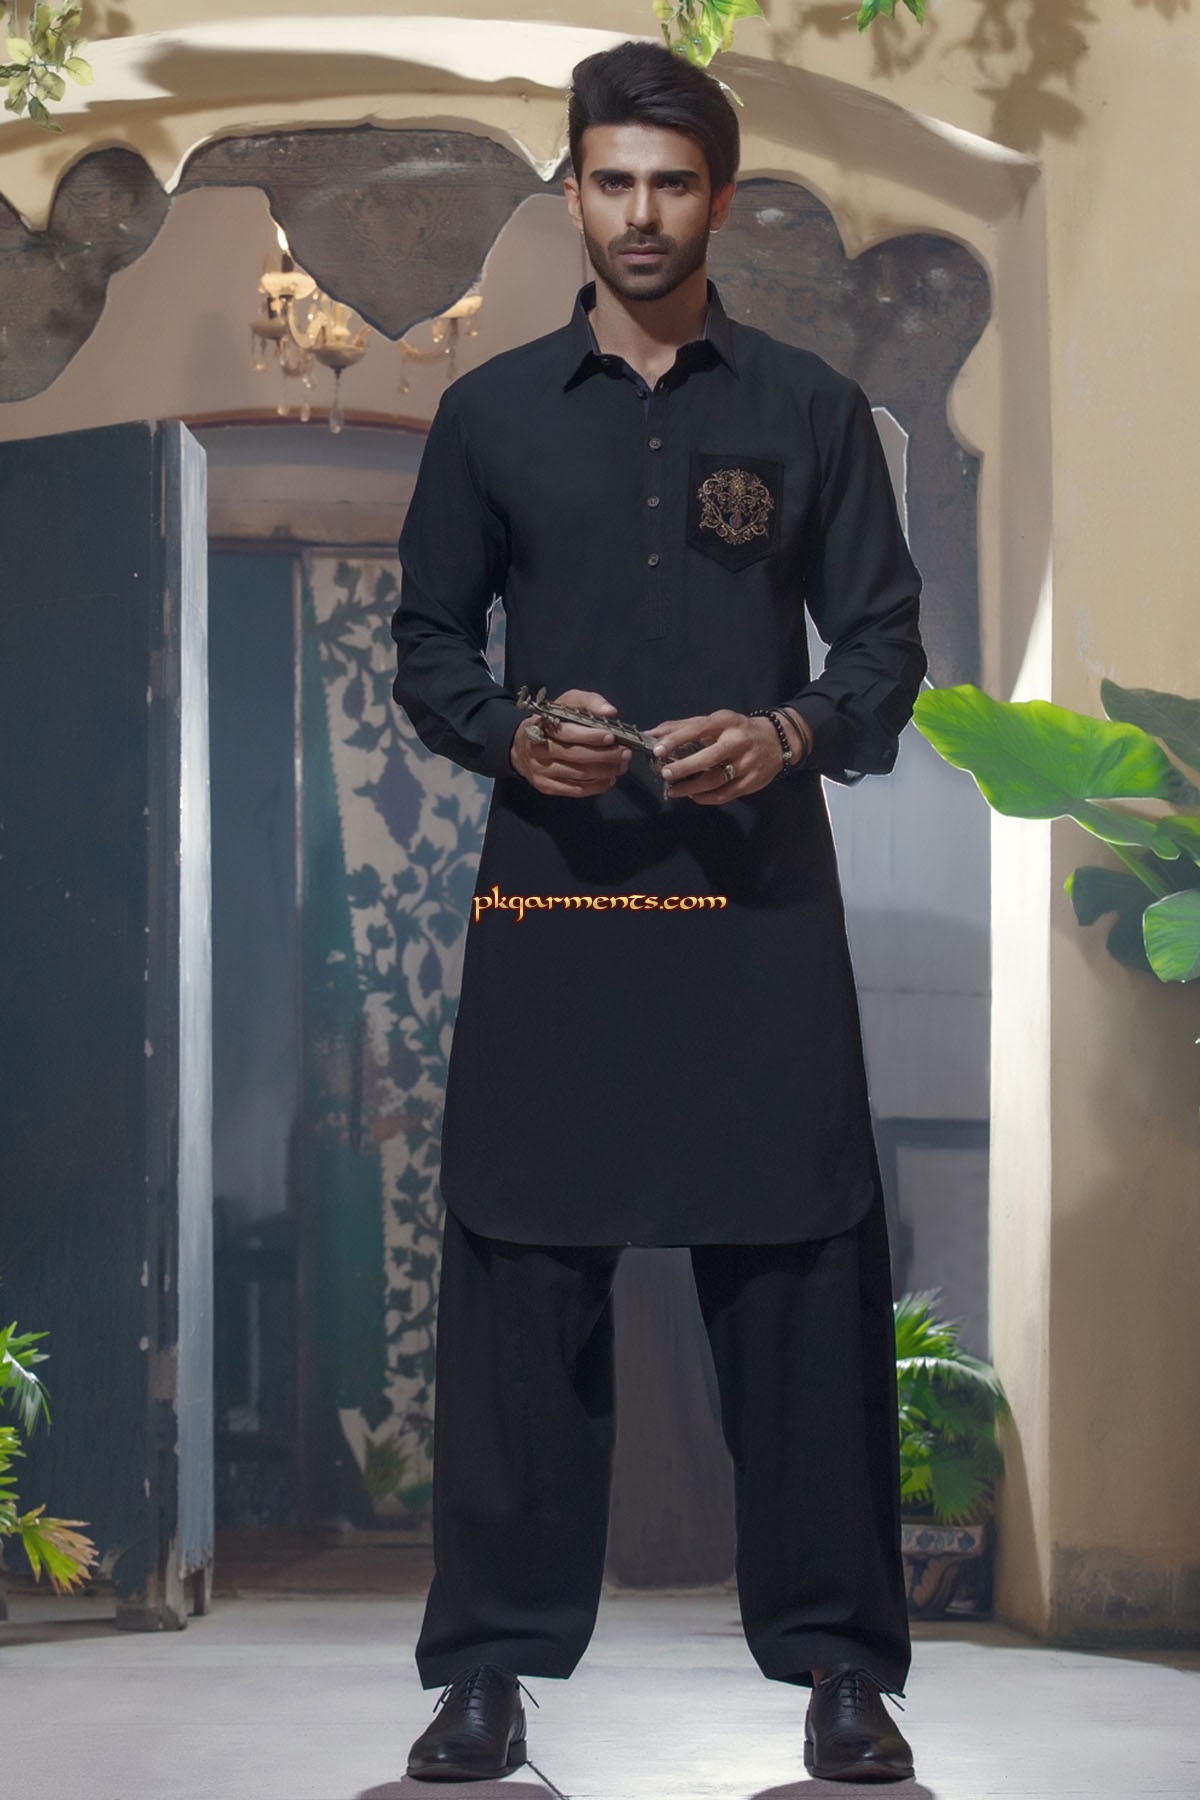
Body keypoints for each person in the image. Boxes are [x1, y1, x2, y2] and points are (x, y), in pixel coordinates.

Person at [391, 39, 926, 1786]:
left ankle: (842, 1674)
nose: (640, 213)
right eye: (611, 180)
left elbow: (883, 648)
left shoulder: (807, 411)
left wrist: (789, 733)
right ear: (572, 192)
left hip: (753, 915)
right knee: (518, 1280)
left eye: (672, 183)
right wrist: (507, 733)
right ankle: (486, 1675)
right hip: (556, 911)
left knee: (802, 1281)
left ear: (721, 199)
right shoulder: (489, 416)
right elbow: (429, 645)